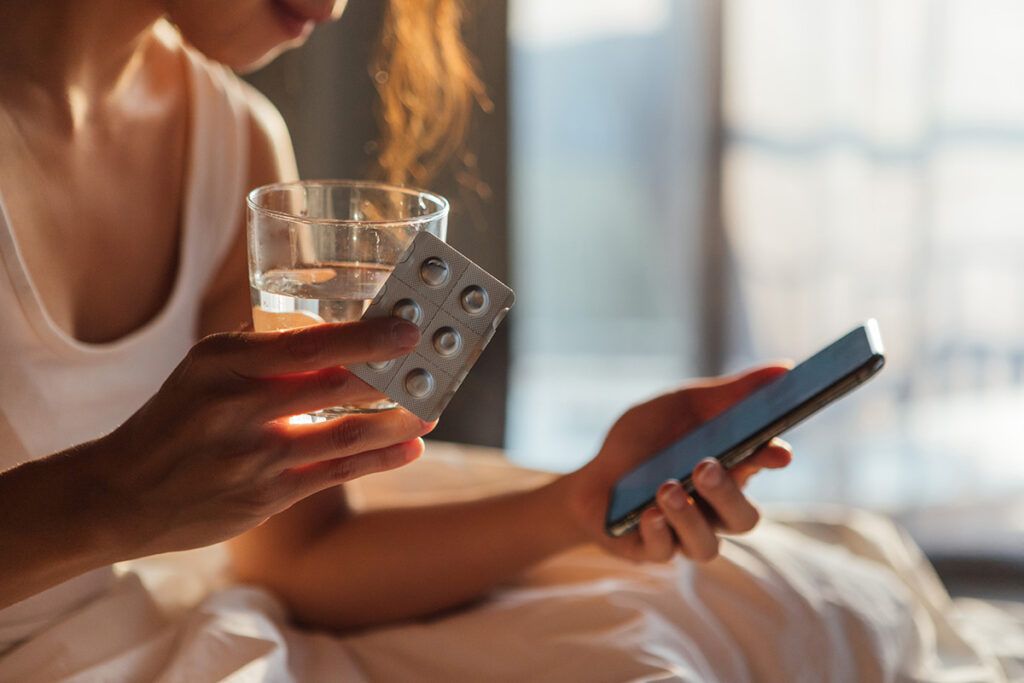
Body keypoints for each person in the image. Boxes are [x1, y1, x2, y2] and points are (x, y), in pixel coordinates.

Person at [2, 2, 1012, 681]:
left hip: (142, 620)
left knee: (791, 610)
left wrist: (584, 496)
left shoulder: (231, 140)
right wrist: (106, 500)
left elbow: (301, 554)